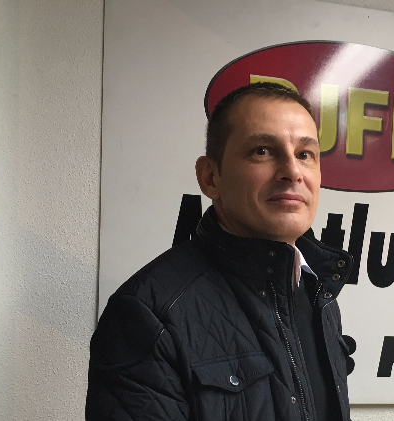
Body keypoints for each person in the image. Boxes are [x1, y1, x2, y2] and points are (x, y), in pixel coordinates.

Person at [86, 82, 353, 421]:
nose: (292, 171)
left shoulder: (317, 292)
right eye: (262, 151)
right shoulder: (149, 315)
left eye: (305, 154)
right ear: (210, 177)